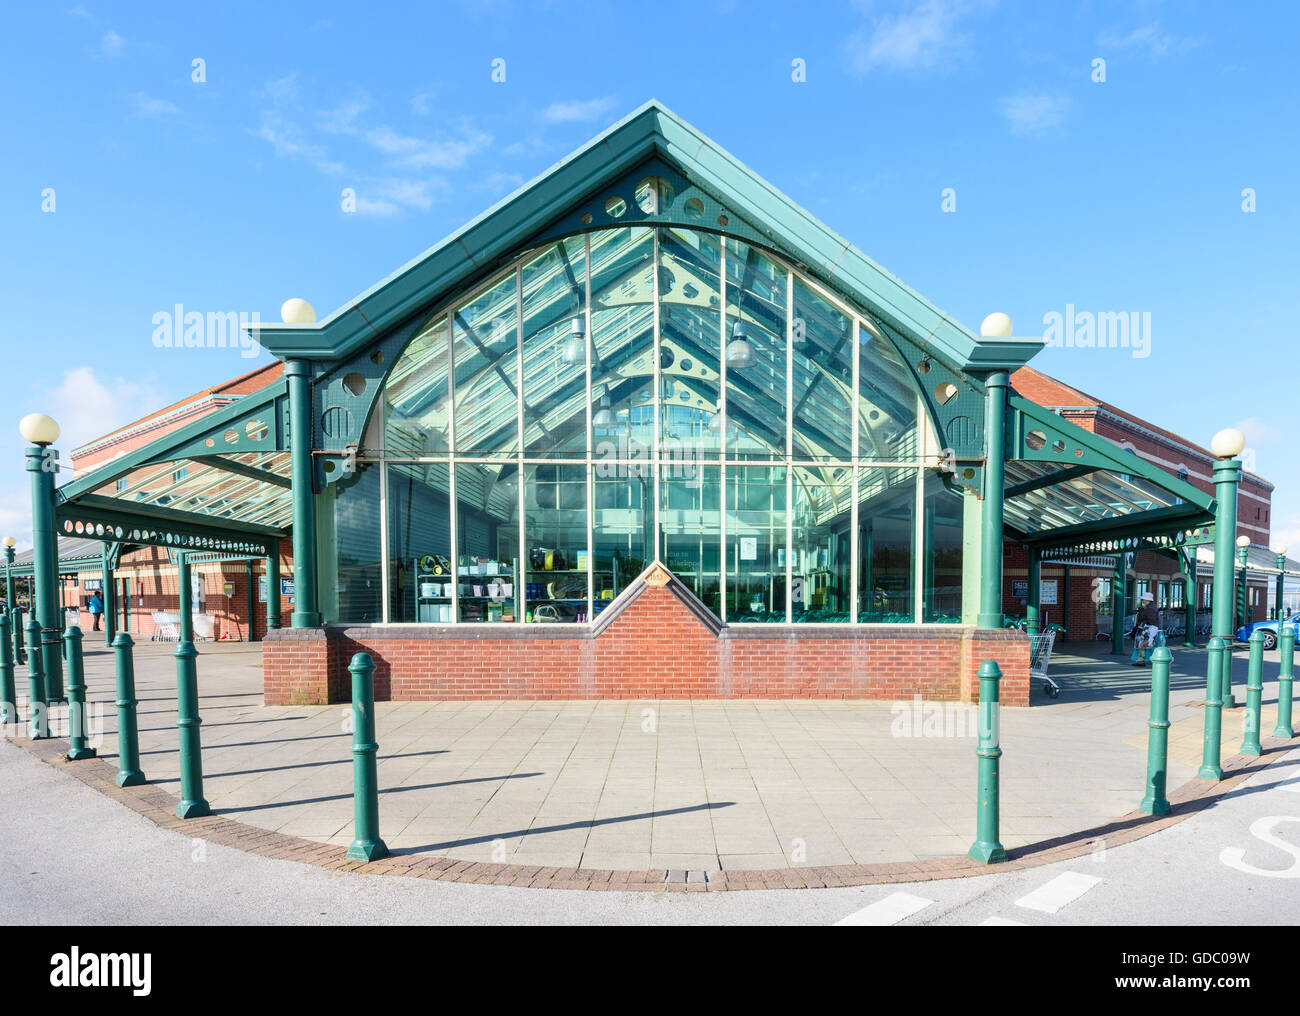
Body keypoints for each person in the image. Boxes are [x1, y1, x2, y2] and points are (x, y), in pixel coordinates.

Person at [1129, 591, 1161, 666]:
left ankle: (1141, 661)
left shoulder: (1149, 608)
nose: (1142, 600)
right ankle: (1146, 660)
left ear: (1148, 600)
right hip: (1152, 629)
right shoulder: (1152, 607)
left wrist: (1143, 621)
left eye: (1143, 599)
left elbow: (1151, 620)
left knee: (1141, 644)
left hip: (1147, 629)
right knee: (1149, 645)